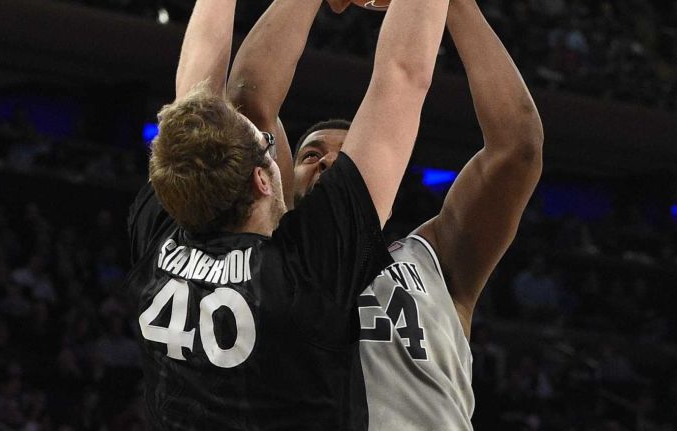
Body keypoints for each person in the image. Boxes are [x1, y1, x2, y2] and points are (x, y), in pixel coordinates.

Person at [124, 0, 451, 429]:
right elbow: (402, 75)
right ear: (263, 180)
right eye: (266, 142)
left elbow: (405, 75)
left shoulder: (165, 233)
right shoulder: (304, 271)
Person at [228, 0, 543, 428]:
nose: (327, 162)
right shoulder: (265, 248)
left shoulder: (435, 258)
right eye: (311, 154)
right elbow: (248, 104)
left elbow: (518, 148)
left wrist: (455, 5)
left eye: (346, 153)